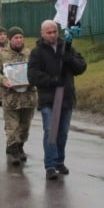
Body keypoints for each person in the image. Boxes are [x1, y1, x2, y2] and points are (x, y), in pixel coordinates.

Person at [27, 20, 87, 180]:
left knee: (62, 133)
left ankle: (60, 161)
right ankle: (50, 165)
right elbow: (33, 75)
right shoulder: (37, 52)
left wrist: (70, 60)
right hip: (49, 98)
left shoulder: (66, 47)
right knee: (51, 132)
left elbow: (81, 67)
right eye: (49, 32)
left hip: (65, 96)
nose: (52, 35)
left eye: (54, 31)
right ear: (42, 33)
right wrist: (53, 80)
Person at [0, 27, 37, 165]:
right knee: (12, 127)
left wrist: (34, 79)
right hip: (11, 97)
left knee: (25, 126)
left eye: (20, 37)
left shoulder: (30, 54)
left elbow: (38, 70)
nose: (18, 40)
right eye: (15, 37)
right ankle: (13, 150)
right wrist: (4, 80)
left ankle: (20, 146)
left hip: (28, 97)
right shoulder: (2, 55)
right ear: (10, 39)